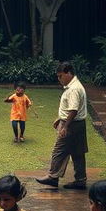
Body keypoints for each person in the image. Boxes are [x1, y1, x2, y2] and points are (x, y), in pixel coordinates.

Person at [36, 61, 88, 190]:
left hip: (72, 125)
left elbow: (73, 110)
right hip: (78, 124)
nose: (59, 79)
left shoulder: (74, 89)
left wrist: (65, 126)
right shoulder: (75, 86)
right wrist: (60, 119)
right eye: (58, 76)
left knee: (59, 151)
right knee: (77, 153)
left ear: (69, 73)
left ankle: (53, 177)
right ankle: (80, 179)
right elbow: (71, 109)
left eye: (61, 76)